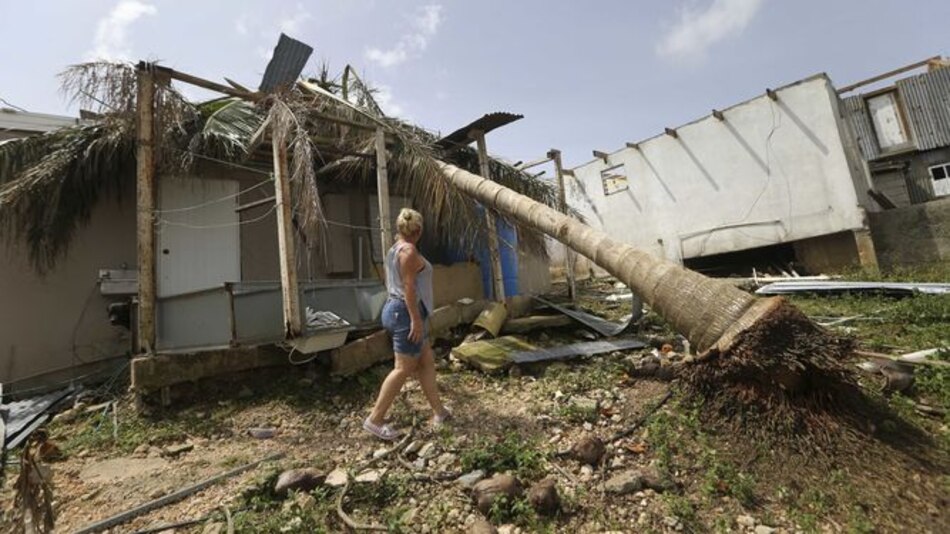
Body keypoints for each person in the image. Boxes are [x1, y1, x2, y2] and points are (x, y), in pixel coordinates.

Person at [363, 208, 450, 441]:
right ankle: (375, 419)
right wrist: (415, 320)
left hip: (397, 309)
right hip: (405, 312)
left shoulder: (395, 249)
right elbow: (409, 288)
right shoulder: (409, 251)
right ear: (419, 230)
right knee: (403, 367)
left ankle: (439, 412)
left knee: (425, 361)